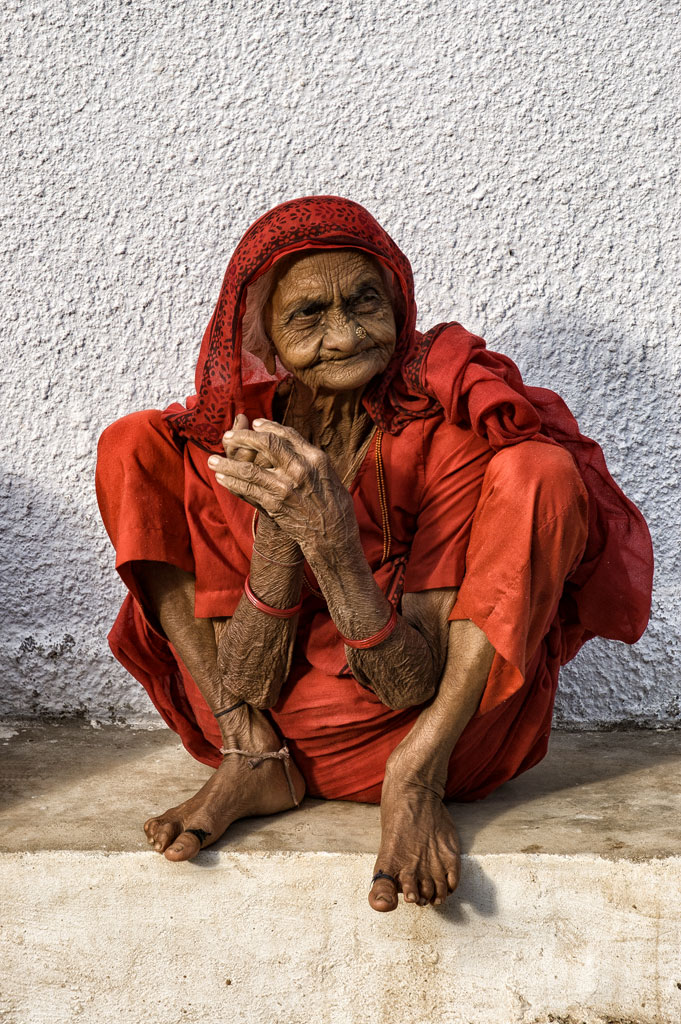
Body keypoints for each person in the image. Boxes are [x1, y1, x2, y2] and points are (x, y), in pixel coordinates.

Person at [96, 195, 653, 913]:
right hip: (265, 721)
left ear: (397, 303)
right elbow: (247, 679)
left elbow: (410, 685)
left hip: (426, 730)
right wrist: (281, 540)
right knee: (132, 441)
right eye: (308, 315)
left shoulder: (439, 432)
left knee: (538, 470)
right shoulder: (236, 442)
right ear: (263, 337)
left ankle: (415, 781)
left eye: (365, 302)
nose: (344, 335)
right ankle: (249, 758)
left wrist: (331, 544)